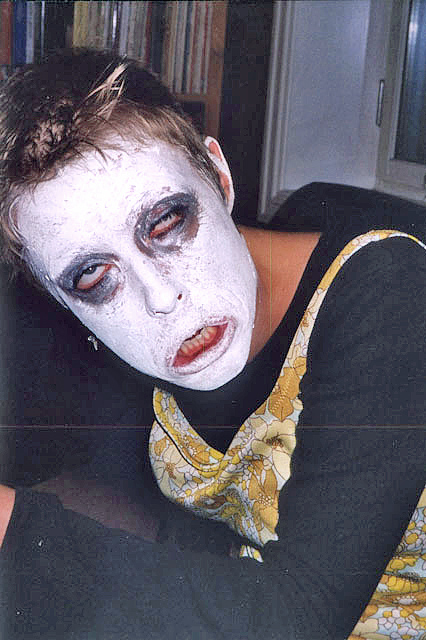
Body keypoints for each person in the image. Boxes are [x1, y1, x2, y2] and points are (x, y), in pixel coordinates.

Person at [0, 48, 426, 640]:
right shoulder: (134, 342)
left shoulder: (392, 290)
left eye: (165, 222)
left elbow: (299, 617)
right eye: (94, 277)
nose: (159, 298)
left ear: (219, 178)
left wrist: (17, 528)